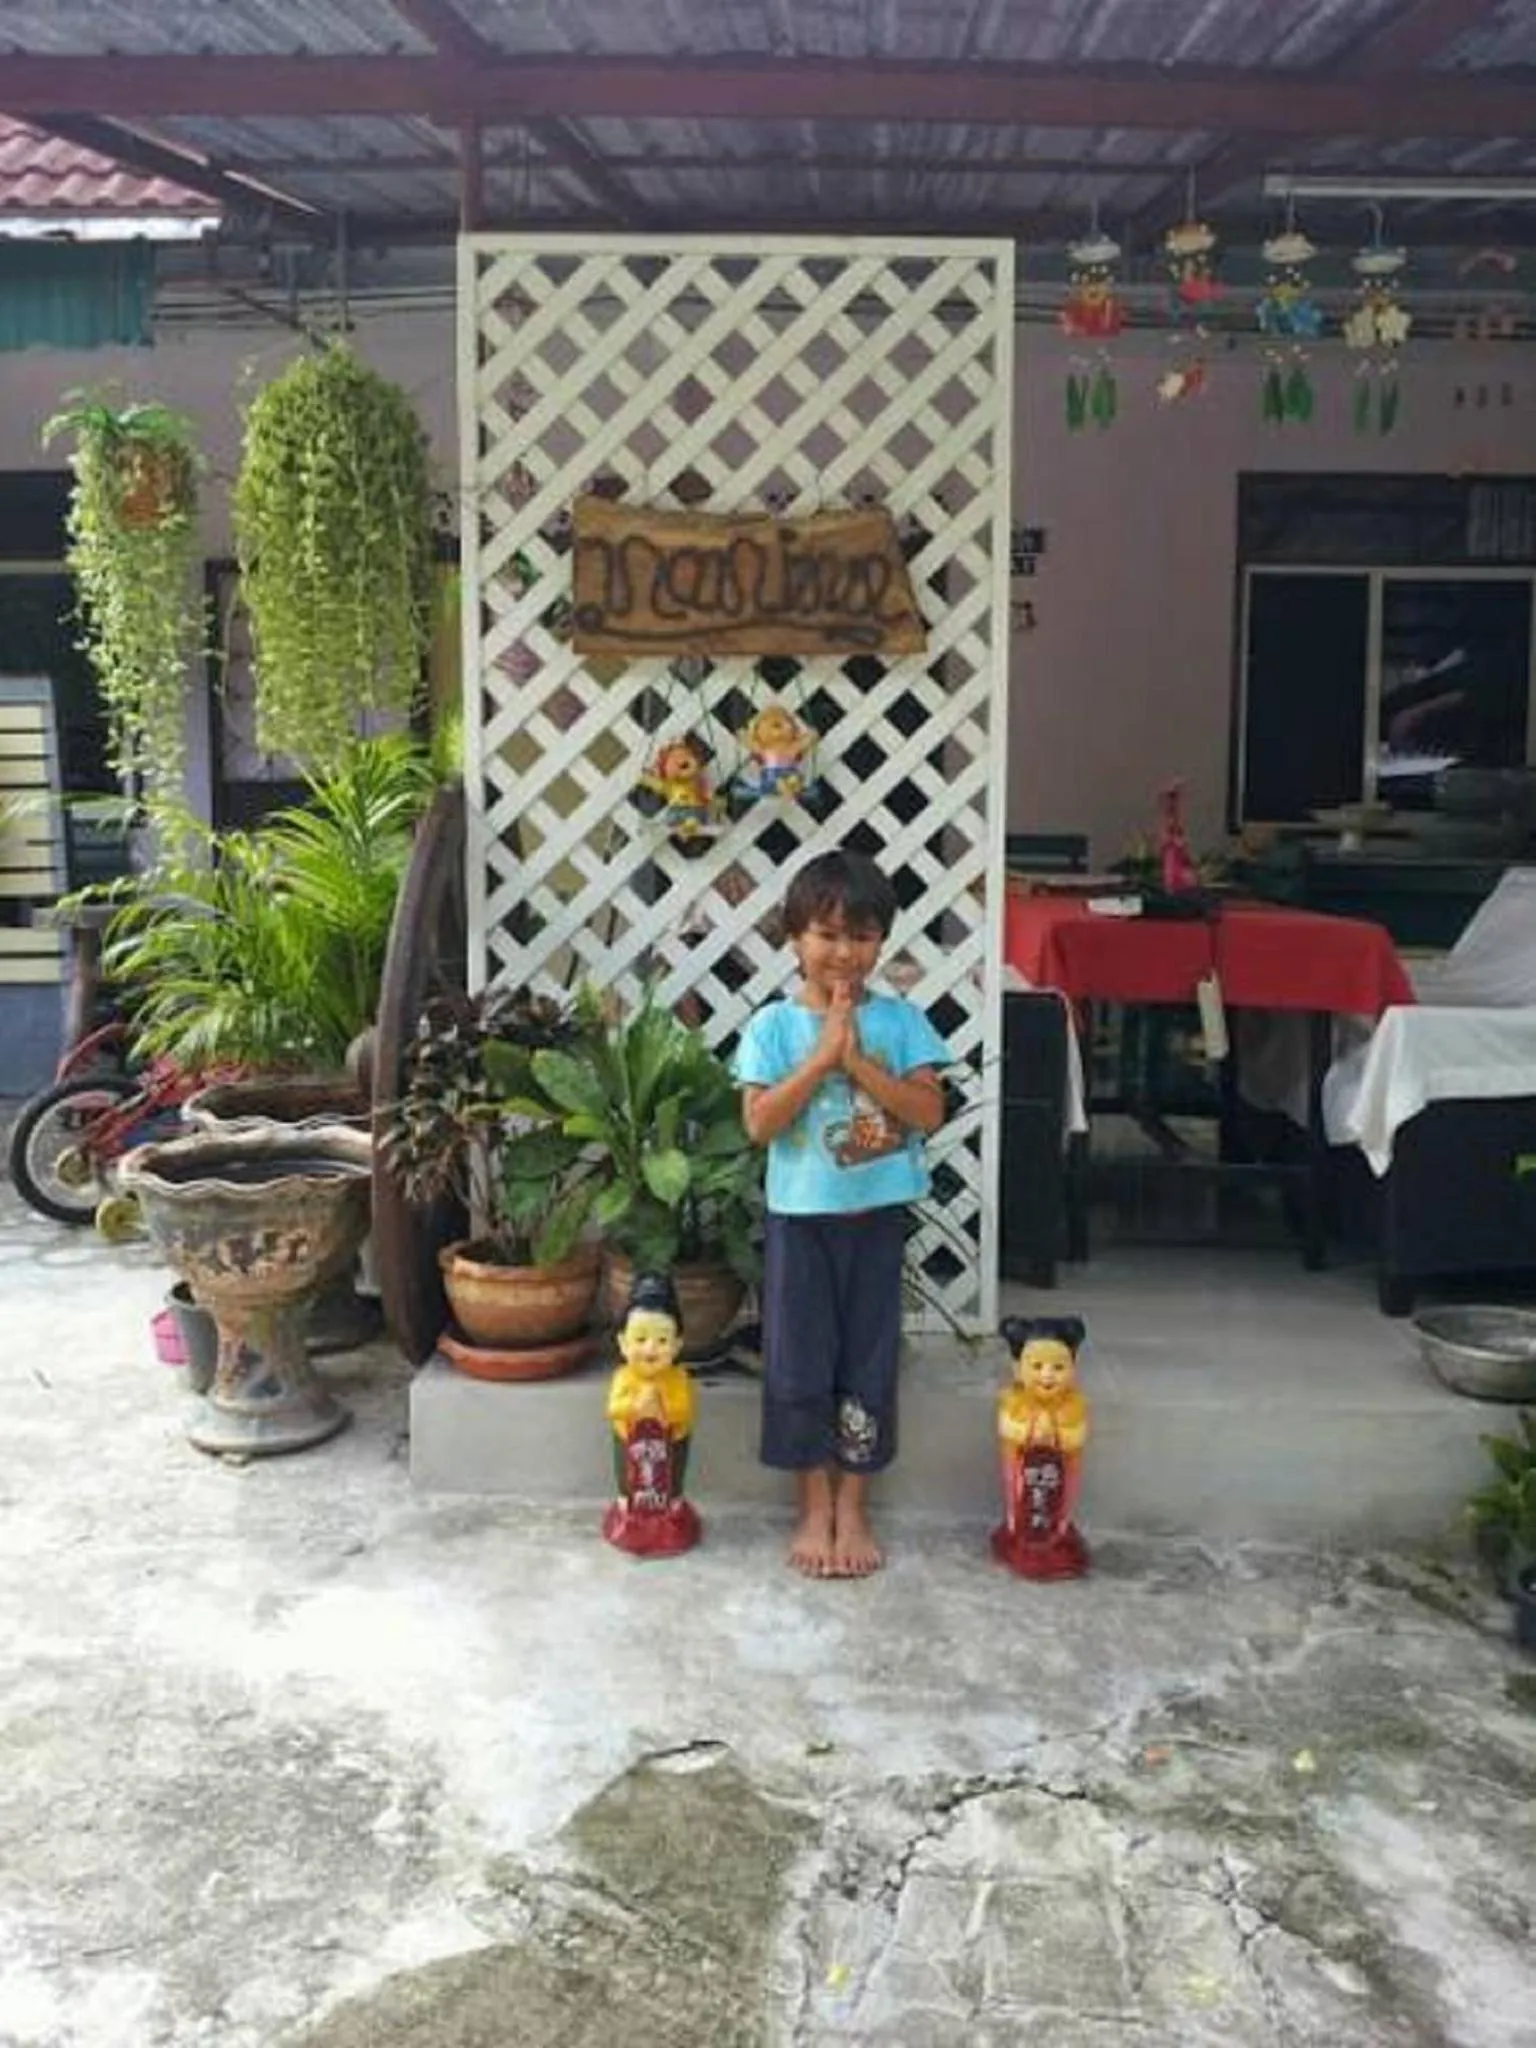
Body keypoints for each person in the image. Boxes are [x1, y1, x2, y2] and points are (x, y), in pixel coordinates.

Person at [733, 848, 948, 1578]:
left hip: (877, 1218)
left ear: (881, 942)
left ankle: (853, 1506)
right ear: (794, 938)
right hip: (800, 1221)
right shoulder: (770, 1028)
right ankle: (812, 1506)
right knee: (798, 1361)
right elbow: (759, 1125)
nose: (843, 952)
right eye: (826, 934)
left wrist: (857, 1063)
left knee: (868, 1358)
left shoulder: (901, 1022)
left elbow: (927, 1112)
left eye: (860, 936)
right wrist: (822, 1059)